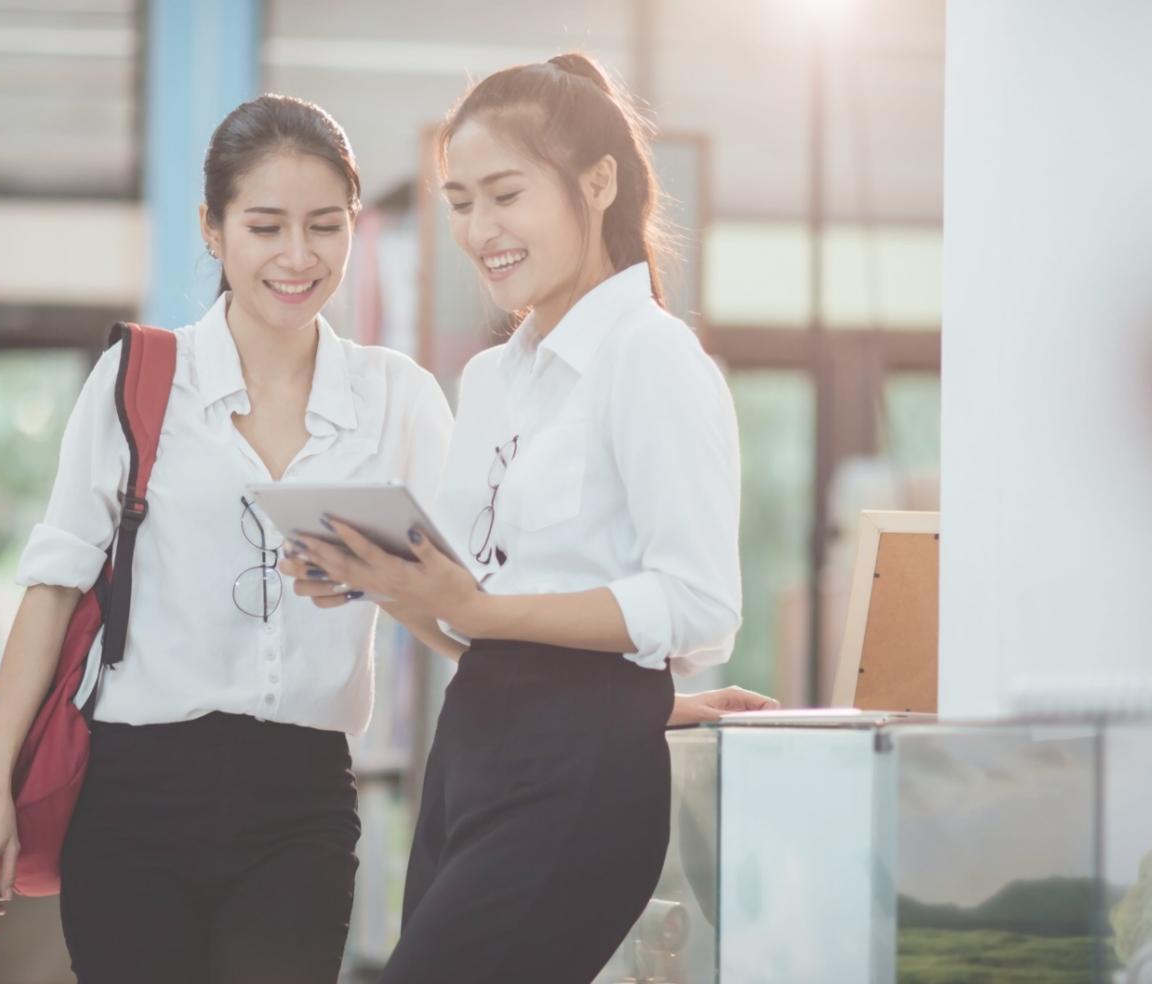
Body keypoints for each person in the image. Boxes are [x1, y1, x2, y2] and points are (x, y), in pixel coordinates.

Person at [0, 90, 767, 983]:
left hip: (301, 797)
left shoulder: (405, 395)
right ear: (214, 230)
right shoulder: (143, 378)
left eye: (325, 227)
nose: (297, 257)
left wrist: (624, 696)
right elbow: (57, 581)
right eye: (265, 227)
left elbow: (459, 595)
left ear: (354, 226)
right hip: (136, 789)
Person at [286, 53, 763, 983]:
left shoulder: (651, 358)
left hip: (582, 770)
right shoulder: (496, 377)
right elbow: (474, 604)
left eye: (504, 195)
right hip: (474, 746)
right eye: (460, 202)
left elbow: (700, 604)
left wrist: (504, 620)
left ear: (597, 183)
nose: (478, 229)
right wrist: (381, 579)